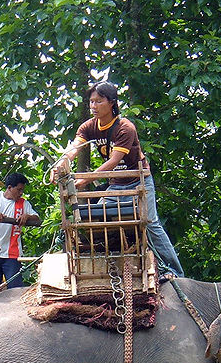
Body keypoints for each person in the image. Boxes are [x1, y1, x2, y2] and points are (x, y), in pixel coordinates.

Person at [54, 80, 183, 279]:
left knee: (150, 222)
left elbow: (114, 161)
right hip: (115, 185)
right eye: (91, 102)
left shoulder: (125, 128)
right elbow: (74, 149)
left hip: (139, 182)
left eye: (98, 102)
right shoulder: (88, 127)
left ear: (112, 102)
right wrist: (61, 163)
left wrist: (85, 180)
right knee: (97, 218)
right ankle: (108, 267)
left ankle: (174, 271)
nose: (93, 106)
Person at [0, 172, 39, 290]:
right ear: (9, 188)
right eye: (19, 190)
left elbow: (37, 219)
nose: (21, 193)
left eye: (22, 190)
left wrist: (27, 216)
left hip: (12, 253)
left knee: (15, 289)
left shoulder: (23, 203)